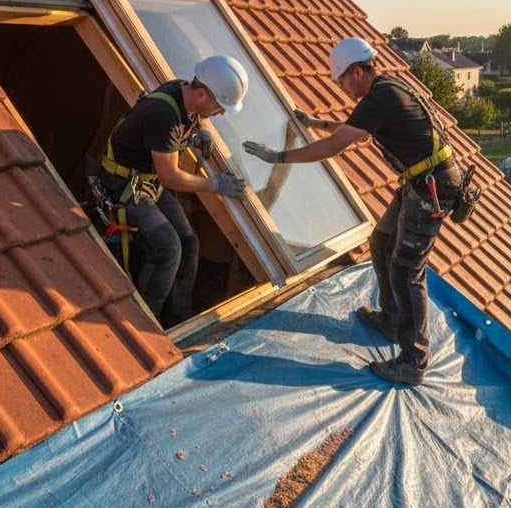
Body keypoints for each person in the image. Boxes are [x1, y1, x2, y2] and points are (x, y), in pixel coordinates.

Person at [242, 37, 461, 386]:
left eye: (340, 80)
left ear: (356, 73)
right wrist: (316, 121)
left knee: (407, 271)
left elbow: (336, 146)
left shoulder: (380, 97)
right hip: (419, 183)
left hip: (431, 189)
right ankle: (391, 319)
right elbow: (355, 132)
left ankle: (413, 360)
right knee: (382, 241)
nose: (340, 88)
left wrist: (279, 157)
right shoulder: (386, 90)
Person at [95, 55, 249, 326]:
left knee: (189, 243)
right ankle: (145, 321)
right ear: (201, 94)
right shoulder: (163, 115)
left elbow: (179, 128)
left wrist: (197, 131)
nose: (222, 112)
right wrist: (216, 185)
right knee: (168, 248)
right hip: (123, 186)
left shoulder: (183, 91)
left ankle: (178, 318)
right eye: (220, 106)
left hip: (146, 180)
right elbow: (170, 177)